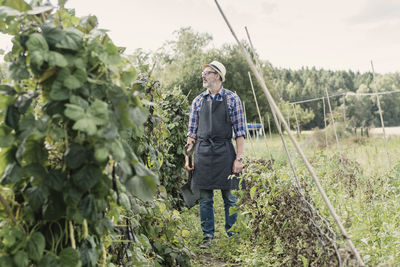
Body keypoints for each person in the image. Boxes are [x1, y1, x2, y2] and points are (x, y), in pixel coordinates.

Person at [185, 60, 245, 249]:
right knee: (205, 198)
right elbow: (191, 134)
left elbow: (240, 133)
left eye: (207, 72)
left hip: (224, 151)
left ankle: (232, 234)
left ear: (217, 76)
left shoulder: (232, 99)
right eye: (203, 73)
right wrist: (187, 156)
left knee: (230, 197)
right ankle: (207, 236)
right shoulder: (198, 101)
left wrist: (239, 159)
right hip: (203, 151)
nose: (203, 75)